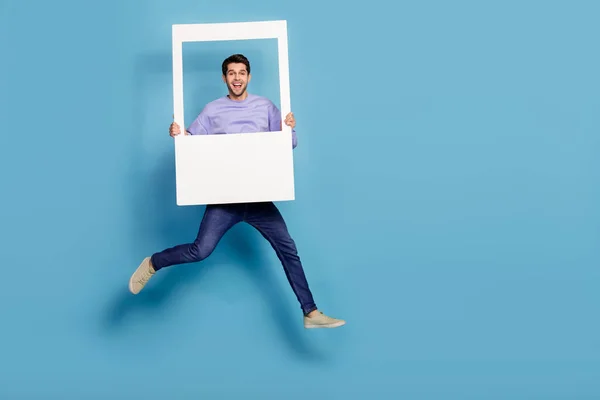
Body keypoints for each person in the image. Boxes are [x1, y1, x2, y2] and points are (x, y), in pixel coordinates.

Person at [128, 54, 345, 329]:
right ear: (224, 78)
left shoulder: (265, 107)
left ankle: (311, 313)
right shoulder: (212, 110)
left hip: (258, 197)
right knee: (200, 250)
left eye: (242, 72)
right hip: (224, 198)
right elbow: (191, 147)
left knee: (288, 249)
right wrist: (178, 135)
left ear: (249, 77)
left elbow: (288, 144)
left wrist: (289, 129)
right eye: (231, 73)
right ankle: (153, 263)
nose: (237, 78)